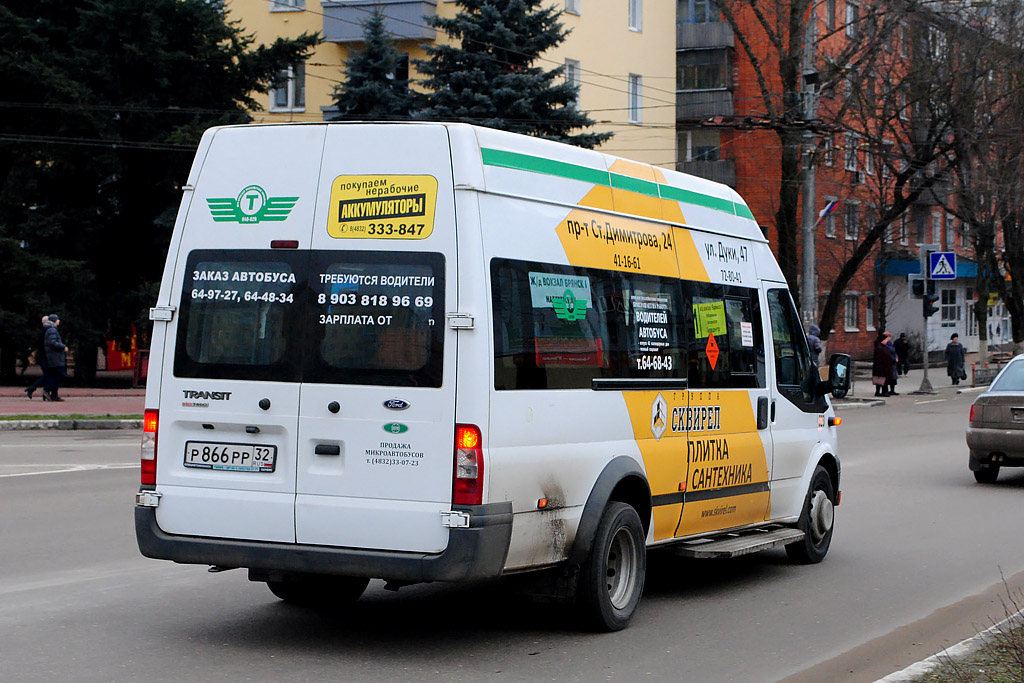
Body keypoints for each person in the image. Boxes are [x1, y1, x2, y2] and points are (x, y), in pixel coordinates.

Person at [42, 313, 69, 401]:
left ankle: (54, 394)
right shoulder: (52, 330)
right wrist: (63, 346)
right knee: (61, 375)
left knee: (55, 375)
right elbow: (52, 342)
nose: (59, 321)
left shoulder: (51, 329)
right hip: (55, 357)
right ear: (54, 320)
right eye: (57, 319)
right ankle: (47, 389)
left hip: (53, 357)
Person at [23, 315, 49, 399]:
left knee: (48, 374)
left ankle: (42, 391)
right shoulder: (46, 332)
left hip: (42, 355)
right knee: (48, 374)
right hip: (43, 356)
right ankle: (34, 388)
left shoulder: (42, 332)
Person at [872, 331, 896, 397]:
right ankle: (882, 392)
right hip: (882, 366)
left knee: (883, 379)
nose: (886, 341)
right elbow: (878, 358)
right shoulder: (879, 348)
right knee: (882, 379)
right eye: (885, 339)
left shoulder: (883, 347)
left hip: (885, 366)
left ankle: (883, 391)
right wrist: (879, 367)